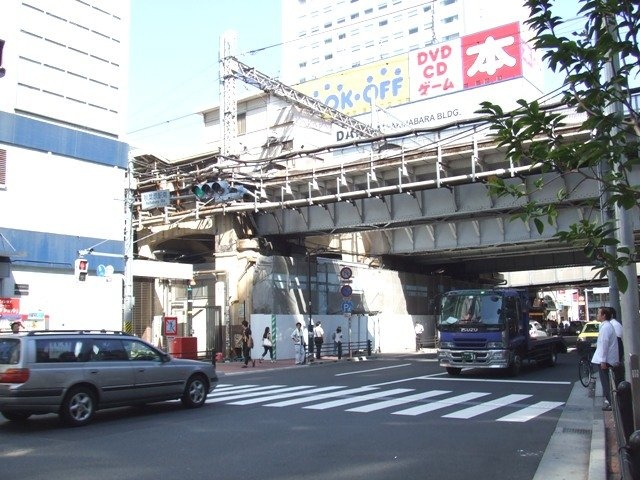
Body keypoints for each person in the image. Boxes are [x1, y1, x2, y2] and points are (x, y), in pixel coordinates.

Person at [591, 307, 619, 410]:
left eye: (598, 313)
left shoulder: (605, 327)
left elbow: (604, 344)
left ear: (603, 315)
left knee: (606, 383)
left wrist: (603, 360)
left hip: (606, 360)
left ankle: (612, 403)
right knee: (608, 382)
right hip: (609, 359)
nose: (597, 315)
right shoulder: (608, 326)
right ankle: (612, 402)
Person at [608, 306, 624, 384]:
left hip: (615, 355)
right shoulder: (610, 324)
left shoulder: (615, 325)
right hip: (613, 354)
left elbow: (618, 342)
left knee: (616, 375)